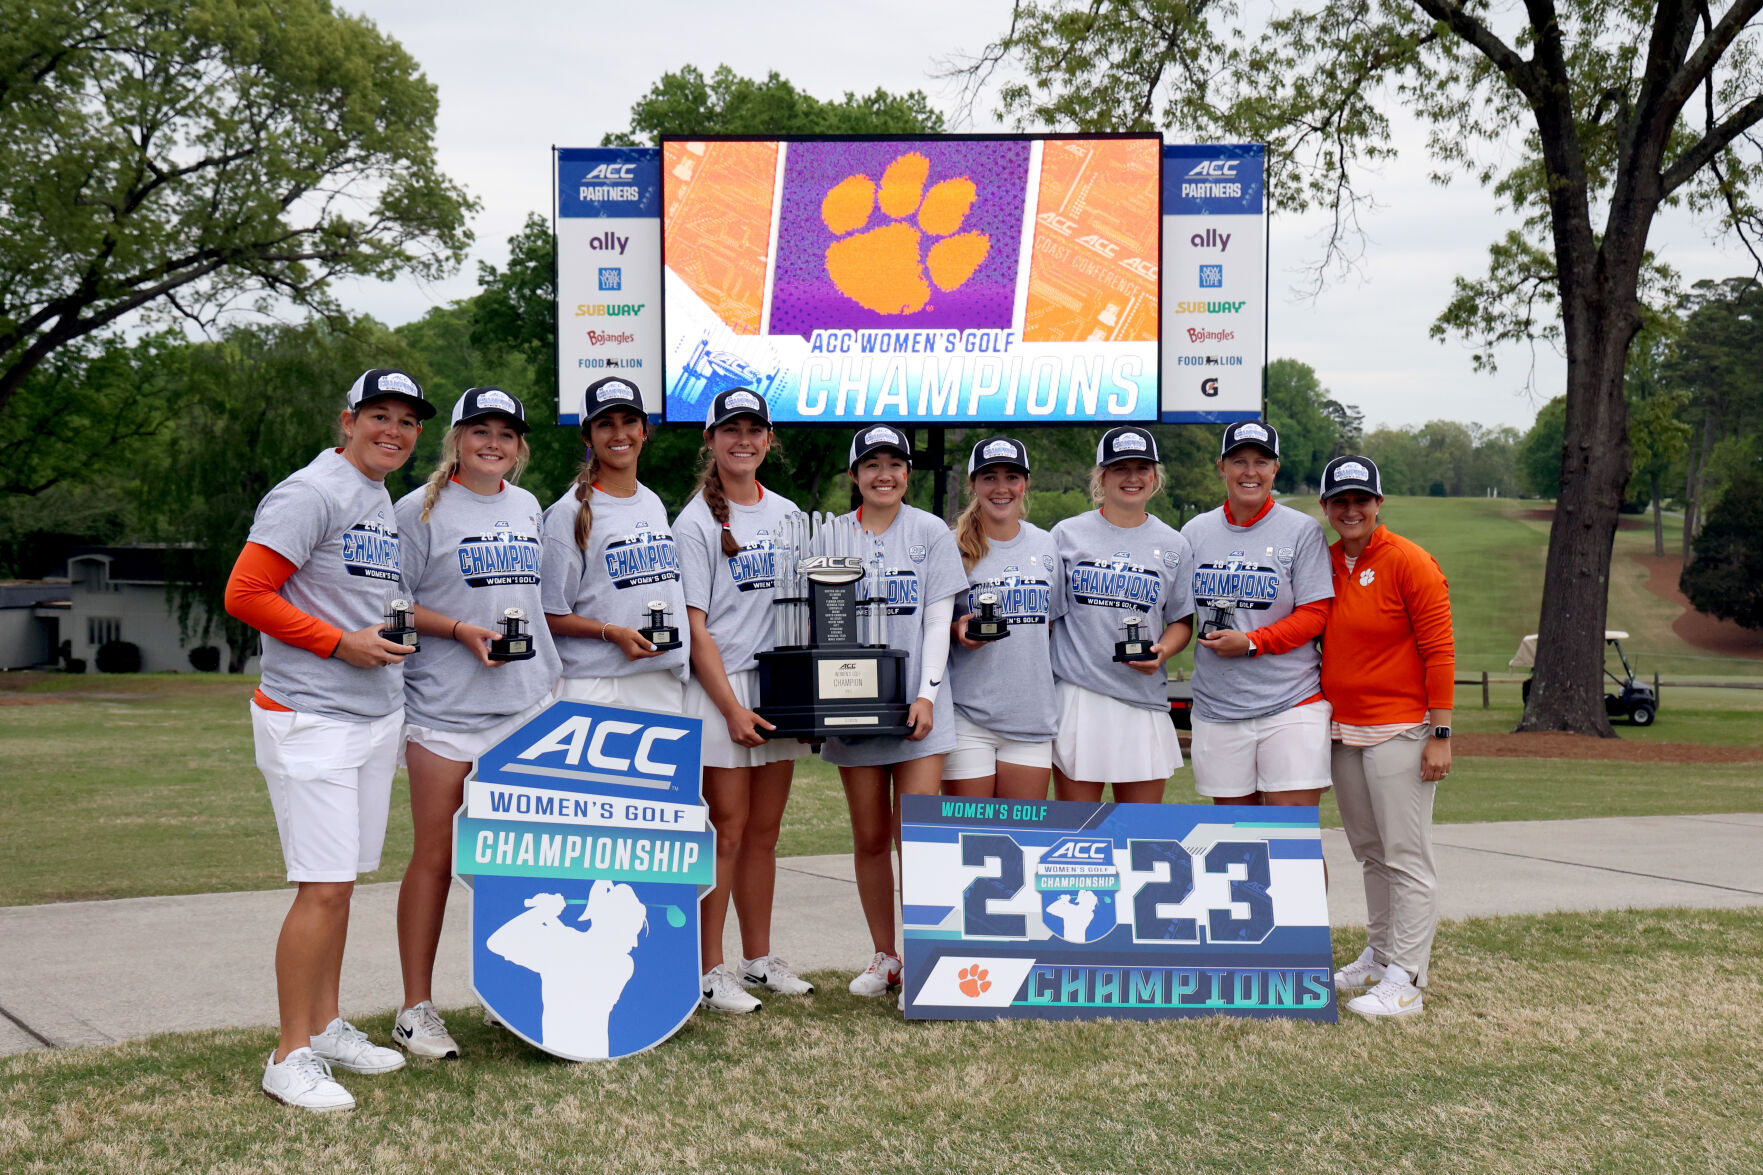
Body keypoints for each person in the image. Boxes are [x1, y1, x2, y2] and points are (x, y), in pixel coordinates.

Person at [223, 368, 435, 1112]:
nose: (394, 431)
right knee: (321, 887)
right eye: (379, 415)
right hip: (311, 713)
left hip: (371, 713)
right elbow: (245, 592)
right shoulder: (310, 490)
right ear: (347, 419)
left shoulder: (373, 495)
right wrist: (339, 644)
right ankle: (289, 1054)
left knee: (342, 882)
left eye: (407, 422)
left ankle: (325, 1022)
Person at [389, 387, 559, 1058]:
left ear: (519, 447)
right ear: (456, 440)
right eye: (479, 430)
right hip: (444, 708)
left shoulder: (527, 505)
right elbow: (391, 605)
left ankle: (507, 995)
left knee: (518, 862)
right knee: (434, 855)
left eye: (506, 433)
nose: (493, 442)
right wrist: (458, 628)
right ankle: (415, 1007)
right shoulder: (416, 510)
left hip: (524, 704)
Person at [673, 389, 813, 1014]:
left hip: (777, 689)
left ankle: (757, 960)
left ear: (768, 440)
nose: (743, 440)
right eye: (730, 429)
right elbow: (695, 628)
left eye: (754, 430)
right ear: (711, 440)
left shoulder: (789, 515)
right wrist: (729, 707)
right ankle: (710, 968)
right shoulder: (695, 521)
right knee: (724, 833)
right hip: (719, 691)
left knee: (764, 831)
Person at [824, 425, 966, 997]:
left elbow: (938, 619)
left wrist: (927, 693)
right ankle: (884, 956)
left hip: (918, 705)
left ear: (908, 473)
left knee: (919, 834)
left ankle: (926, 955)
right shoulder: (831, 534)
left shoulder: (930, 530)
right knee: (869, 836)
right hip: (852, 706)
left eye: (896, 464)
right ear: (855, 475)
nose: (885, 475)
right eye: (872, 464)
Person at [1316, 455, 1455, 1019]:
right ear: (1325, 507)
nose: (1351, 510)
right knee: (1370, 851)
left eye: (1361, 500)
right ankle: (1378, 954)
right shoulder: (1323, 563)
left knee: (1405, 855)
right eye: (1340, 501)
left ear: (1379, 504)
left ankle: (1407, 977)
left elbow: (1439, 651)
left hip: (1401, 728)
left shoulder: (1409, 562)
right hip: (1344, 730)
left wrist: (1441, 732)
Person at [1181, 421, 1335, 806]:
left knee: (1292, 843)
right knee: (1237, 844)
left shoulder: (1302, 530)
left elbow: (1316, 613)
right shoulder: (1195, 531)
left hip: (1290, 703)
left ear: (1275, 468)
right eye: (1239, 461)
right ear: (1222, 466)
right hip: (1218, 706)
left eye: (1261, 462)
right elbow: (1177, 612)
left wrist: (1252, 643)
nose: (1250, 472)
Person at [1047, 426, 1194, 803]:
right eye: (1119, 468)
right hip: (1080, 693)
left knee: (1140, 835)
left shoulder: (1173, 543)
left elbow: (1181, 621)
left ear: (1154, 476)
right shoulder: (1066, 535)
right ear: (1101, 476)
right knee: (1078, 832)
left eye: (1141, 468)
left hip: (1141, 697)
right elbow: (1045, 619)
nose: (1132, 478)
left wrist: (1162, 650)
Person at [540, 377, 689, 710]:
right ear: (587, 436)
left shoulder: (652, 502)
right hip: (595, 683)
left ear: (644, 431)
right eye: (605, 424)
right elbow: (548, 612)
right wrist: (612, 632)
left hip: (659, 677)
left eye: (630, 422)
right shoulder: (570, 512)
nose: (619, 434)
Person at [944, 436, 1060, 800]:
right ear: (973, 484)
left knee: (1021, 840)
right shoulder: (951, 546)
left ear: (1024, 483)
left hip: (1031, 717)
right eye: (989, 477)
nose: (1001, 488)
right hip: (968, 715)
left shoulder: (1046, 544)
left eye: (1012, 477)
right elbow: (927, 627)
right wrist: (956, 629)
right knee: (970, 840)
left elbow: (1051, 625)